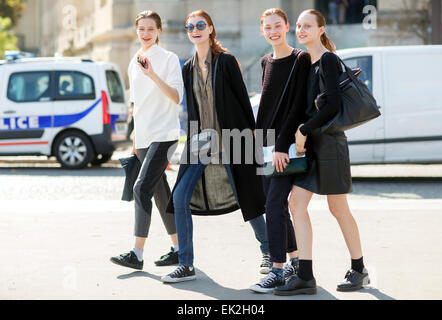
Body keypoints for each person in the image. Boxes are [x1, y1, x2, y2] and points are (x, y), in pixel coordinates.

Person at [161, 9, 268, 283]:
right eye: (189, 26)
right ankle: (186, 264)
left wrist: (252, 141)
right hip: (201, 141)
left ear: (210, 29)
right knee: (180, 197)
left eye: (200, 25)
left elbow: (243, 103)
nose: (194, 30)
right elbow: (193, 110)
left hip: (232, 139)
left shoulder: (227, 62)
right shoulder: (188, 68)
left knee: (247, 195)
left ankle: (268, 251)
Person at [273, 9, 370, 296]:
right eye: (299, 26)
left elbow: (333, 106)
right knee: (297, 205)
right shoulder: (306, 62)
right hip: (312, 147)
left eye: (307, 26)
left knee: (338, 209)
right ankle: (305, 275)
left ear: (321, 29)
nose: (301, 30)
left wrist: (303, 130)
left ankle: (359, 268)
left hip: (330, 146)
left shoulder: (327, 59)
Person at [110, 10, 184, 270]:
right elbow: (136, 105)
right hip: (142, 137)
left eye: (150, 29)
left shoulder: (169, 59)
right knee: (161, 192)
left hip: (164, 134)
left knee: (141, 189)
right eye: (141, 28)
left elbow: (176, 97)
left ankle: (136, 254)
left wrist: (152, 74)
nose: (145, 33)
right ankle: (178, 248)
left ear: (159, 31)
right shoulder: (134, 60)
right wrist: (134, 138)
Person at [249, 8, 311, 294]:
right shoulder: (265, 61)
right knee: (273, 206)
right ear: (262, 30)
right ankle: (295, 262)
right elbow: (267, 109)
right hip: (266, 148)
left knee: (274, 206)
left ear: (286, 27)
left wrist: (281, 145)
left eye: (278, 26)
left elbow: (296, 107)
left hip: (285, 149)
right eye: (268, 27)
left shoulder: (300, 59)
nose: (273, 31)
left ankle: (276, 268)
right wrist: (258, 146)